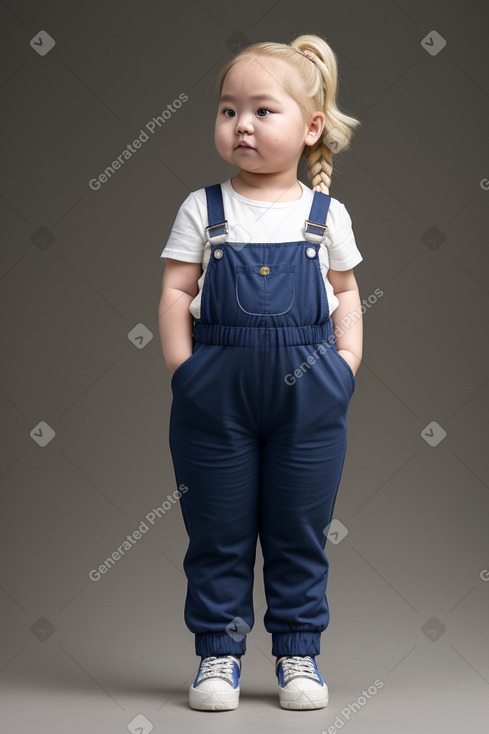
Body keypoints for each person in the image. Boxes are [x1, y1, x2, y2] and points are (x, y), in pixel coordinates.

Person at [158, 33, 363, 712]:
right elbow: (174, 293)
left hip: (309, 401)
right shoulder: (202, 208)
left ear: (310, 128)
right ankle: (216, 655)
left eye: (261, 111)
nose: (240, 124)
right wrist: (184, 373)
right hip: (213, 399)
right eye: (226, 110)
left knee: (297, 532)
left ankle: (296, 654)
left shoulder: (324, 215)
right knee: (216, 532)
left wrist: (345, 368)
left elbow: (347, 296)